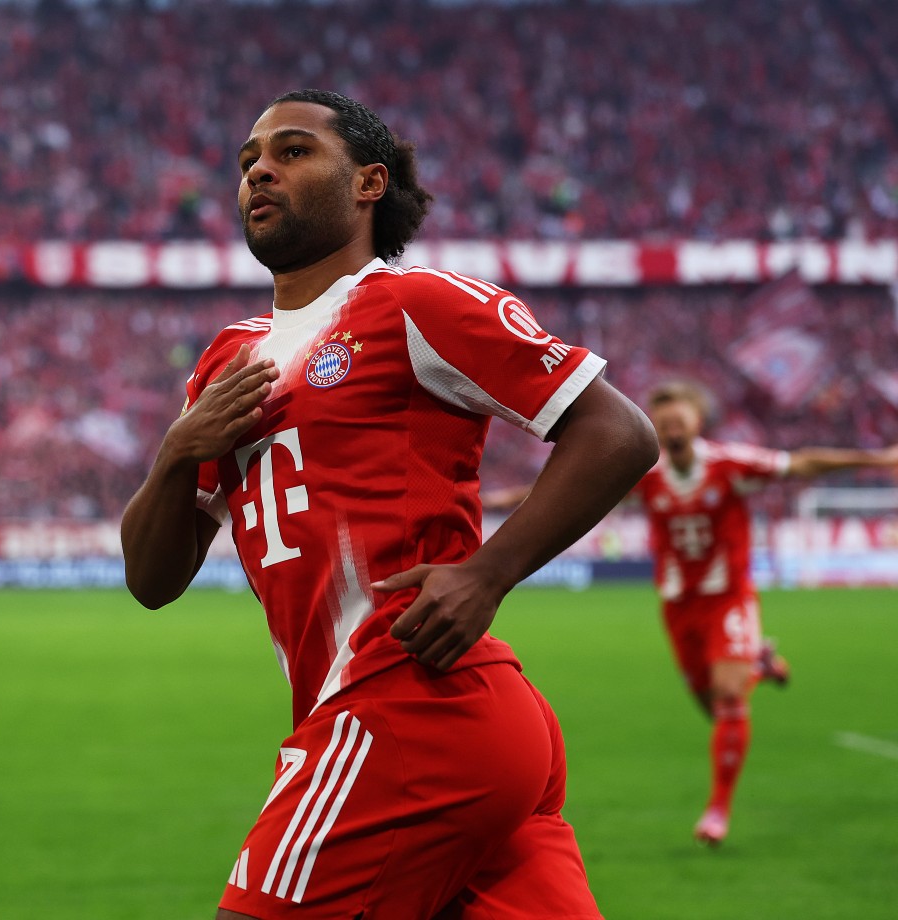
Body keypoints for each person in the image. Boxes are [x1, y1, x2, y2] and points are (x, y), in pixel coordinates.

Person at [121, 88, 658, 919]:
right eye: (248, 161)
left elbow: (618, 431)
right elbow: (153, 581)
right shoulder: (227, 361)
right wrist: (173, 455)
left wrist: (488, 574)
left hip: (403, 702)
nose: (260, 169)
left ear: (369, 183)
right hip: (454, 729)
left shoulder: (414, 304)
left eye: (294, 152)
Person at [633, 381, 898, 845]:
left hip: (729, 596)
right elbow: (573, 482)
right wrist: (506, 501)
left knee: (729, 697)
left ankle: (717, 811)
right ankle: (759, 664)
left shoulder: (728, 463)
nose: (672, 428)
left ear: (697, 421)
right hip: (678, 605)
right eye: (665, 422)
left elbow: (801, 462)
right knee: (712, 707)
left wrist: (877, 460)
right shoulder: (643, 473)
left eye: (680, 420)